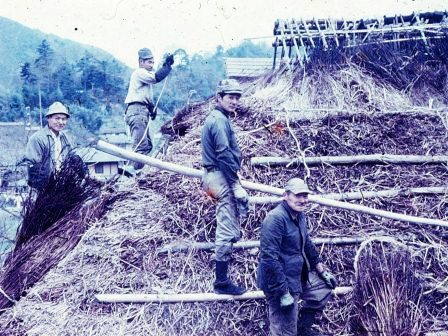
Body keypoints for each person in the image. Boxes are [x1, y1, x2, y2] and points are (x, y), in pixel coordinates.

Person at [257, 178, 337, 336]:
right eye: (298, 195)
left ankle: (303, 329)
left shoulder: (299, 216)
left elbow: (306, 243)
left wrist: (321, 270)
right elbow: (269, 258)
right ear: (286, 195)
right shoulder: (275, 219)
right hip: (279, 282)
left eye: (305, 196)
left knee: (322, 289)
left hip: (297, 277)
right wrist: (283, 291)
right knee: (285, 331)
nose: (302, 200)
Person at [201, 79, 249, 295]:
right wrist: (235, 183)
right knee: (226, 228)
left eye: (237, 97)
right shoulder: (219, 121)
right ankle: (221, 282)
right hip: (220, 177)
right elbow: (223, 154)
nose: (235, 101)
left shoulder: (219, 118)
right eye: (230, 96)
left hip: (215, 177)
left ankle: (222, 269)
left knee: (229, 225)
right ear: (219, 97)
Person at [124, 47, 174, 172]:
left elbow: (144, 95)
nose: (151, 65)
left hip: (140, 111)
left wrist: (151, 108)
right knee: (141, 146)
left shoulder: (144, 76)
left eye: (152, 62)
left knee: (146, 147)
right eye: (149, 62)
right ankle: (129, 172)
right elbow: (156, 77)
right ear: (141, 62)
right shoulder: (139, 72)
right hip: (137, 111)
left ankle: (134, 171)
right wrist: (167, 66)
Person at [23, 102, 73, 191]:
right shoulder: (38, 138)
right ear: (48, 118)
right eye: (57, 118)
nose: (61, 122)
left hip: (62, 187)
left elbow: (71, 159)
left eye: (64, 119)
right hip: (42, 189)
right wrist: (45, 188)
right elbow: (33, 166)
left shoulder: (66, 139)